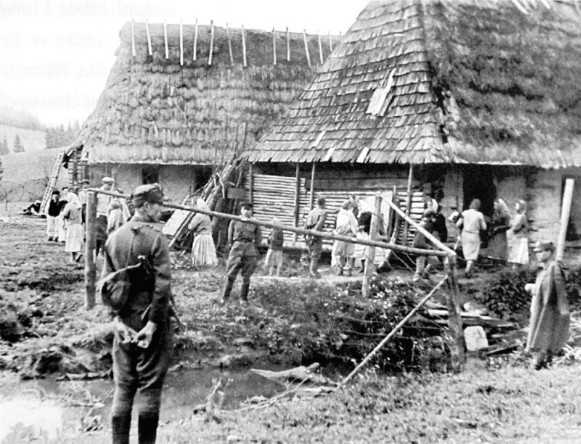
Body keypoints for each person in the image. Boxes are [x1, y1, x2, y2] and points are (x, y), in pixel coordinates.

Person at [101, 183, 173, 444]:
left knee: (123, 388)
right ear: (144, 207)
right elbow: (163, 286)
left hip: (124, 323)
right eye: (158, 205)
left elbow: (105, 286)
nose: (162, 210)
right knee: (150, 390)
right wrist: (153, 324)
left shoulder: (114, 238)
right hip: (150, 322)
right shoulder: (156, 238)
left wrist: (117, 321)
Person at [524, 241, 570, 370]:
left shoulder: (554, 268)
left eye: (540, 252)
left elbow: (559, 289)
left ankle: (537, 364)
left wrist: (563, 309)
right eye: (536, 252)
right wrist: (533, 288)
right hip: (540, 307)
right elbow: (542, 287)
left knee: (543, 335)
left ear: (549, 252)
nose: (537, 255)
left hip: (549, 308)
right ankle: (544, 364)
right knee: (539, 334)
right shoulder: (543, 269)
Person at [221, 202, 262, 304]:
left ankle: (243, 298)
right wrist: (232, 245)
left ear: (251, 211)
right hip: (237, 247)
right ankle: (224, 297)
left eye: (249, 209)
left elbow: (258, 237)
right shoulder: (235, 220)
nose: (246, 211)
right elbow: (230, 235)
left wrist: (253, 247)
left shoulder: (255, 222)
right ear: (241, 210)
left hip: (249, 248)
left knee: (247, 275)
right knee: (230, 273)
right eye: (244, 209)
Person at [457, 199, 487, 278]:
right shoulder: (479, 214)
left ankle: (470, 271)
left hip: (465, 234)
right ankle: (468, 269)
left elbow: (457, 224)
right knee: (473, 253)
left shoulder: (465, 213)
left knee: (467, 252)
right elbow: (484, 227)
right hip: (474, 234)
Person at [188, 198, 218, 268]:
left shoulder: (199, 216)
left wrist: (189, 226)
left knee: (199, 251)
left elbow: (191, 227)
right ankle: (206, 264)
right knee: (207, 252)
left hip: (201, 236)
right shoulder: (206, 216)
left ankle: (199, 264)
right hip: (208, 235)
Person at [332, 201, 358, 276]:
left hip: (347, 234)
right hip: (341, 234)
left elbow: (354, 224)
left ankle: (347, 268)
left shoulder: (348, 214)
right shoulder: (342, 214)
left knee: (347, 252)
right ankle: (341, 268)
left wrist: (352, 230)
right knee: (341, 252)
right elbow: (353, 224)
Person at [304, 197, 328, 279]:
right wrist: (314, 234)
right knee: (316, 253)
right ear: (323, 203)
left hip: (309, 233)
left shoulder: (311, 212)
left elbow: (306, 223)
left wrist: (305, 233)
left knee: (311, 252)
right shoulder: (323, 213)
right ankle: (313, 272)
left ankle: (312, 271)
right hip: (316, 234)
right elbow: (319, 225)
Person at [413, 209, 437, 282]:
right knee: (420, 268)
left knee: (434, 261)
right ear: (431, 216)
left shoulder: (428, 224)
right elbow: (419, 241)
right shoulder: (423, 225)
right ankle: (416, 283)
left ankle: (425, 275)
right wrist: (428, 246)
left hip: (425, 246)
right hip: (420, 247)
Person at [62, 192, 84, 262]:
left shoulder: (69, 205)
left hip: (71, 224)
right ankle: (75, 255)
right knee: (77, 241)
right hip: (78, 225)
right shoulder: (79, 205)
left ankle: (75, 255)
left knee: (71, 241)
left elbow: (65, 214)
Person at [507, 199, 529, 270]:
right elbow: (510, 224)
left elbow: (515, 227)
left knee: (518, 258)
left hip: (520, 239)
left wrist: (512, 224)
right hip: (515, 239)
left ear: (521, 206)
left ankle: (516, 273)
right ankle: (514, 273)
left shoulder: (522, 216)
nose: (515, 207)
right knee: (514, 258)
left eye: (517, 205)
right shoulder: (516, 215)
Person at [487, 198, 511, 262]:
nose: (495, 207)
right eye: (494, 205)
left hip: (501, 235)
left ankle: (500, 263)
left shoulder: (505, 214)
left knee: (499, 249)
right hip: (494, 235)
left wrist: (498, 229)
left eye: (496, 205)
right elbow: (493, 222)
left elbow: (508, 225)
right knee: (493, 251)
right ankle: (493, 263)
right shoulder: (495, 213)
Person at [96, 177, 115, 255]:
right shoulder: (98, 193)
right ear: (104, 184)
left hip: (108, 215)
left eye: (110, 185)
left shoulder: (111, 193)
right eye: (108, 184)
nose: (109, 187)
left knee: (106, 235)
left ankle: (104, 252)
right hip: (99, 215)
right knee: (98, 235)